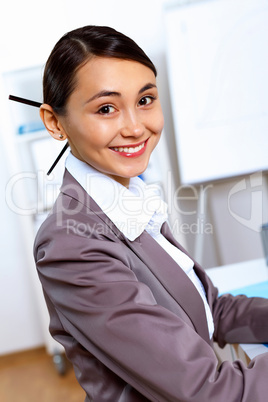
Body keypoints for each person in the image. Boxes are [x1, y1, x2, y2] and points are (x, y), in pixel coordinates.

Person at [34, 25, 268, 402]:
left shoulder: (132, 197)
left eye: (145, 100)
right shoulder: (71, 244)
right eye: (106, 108)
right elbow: (206, 391)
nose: (135, 127)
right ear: (54, 122)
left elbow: (211, 312)